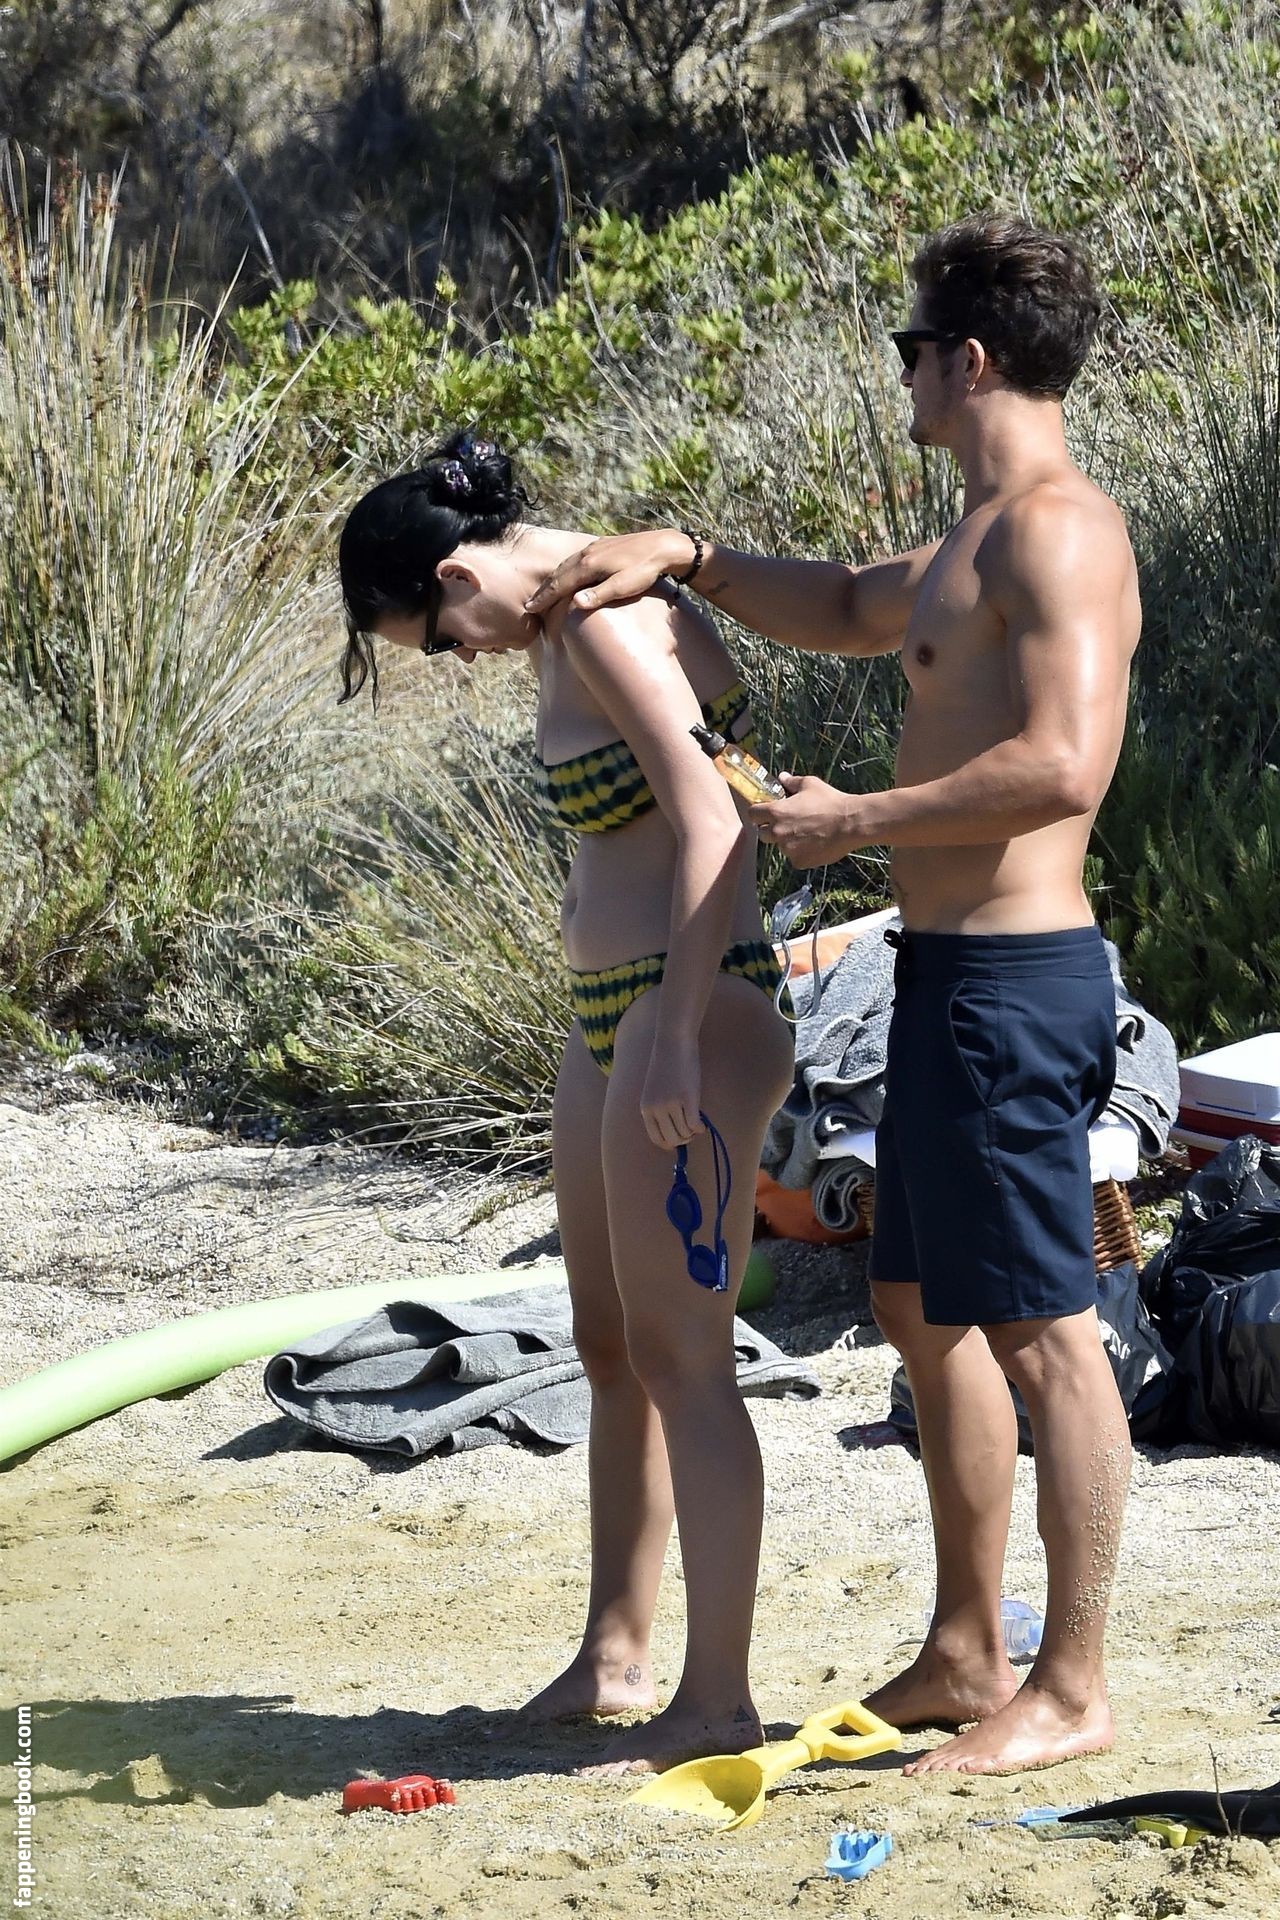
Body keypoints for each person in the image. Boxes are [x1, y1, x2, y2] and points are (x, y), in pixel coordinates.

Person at [525, 214, 1141, 1778]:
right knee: (920, 1310)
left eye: (910, 348)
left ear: (969, 359)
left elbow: (1065, 764)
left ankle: (1072, 1686)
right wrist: (692, 555)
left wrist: (855, 820)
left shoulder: (1060, 532)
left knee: (1048, 1333)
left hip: (1014, 985)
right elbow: (856, 606)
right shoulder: (973, 538)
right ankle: (968, 1647)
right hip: (942, 980)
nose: (903, 375)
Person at [337, 430, 795, 1774]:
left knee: (685, 1357)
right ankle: (615, 1650)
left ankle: (718, 1698)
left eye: (436, 637)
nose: (452, 659)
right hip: (621, 1011)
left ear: (454, 574)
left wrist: (672, 1036)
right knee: (608, 1343)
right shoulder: (566, 614)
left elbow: (715, 817)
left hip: (685, 1010)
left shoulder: (600, 619)